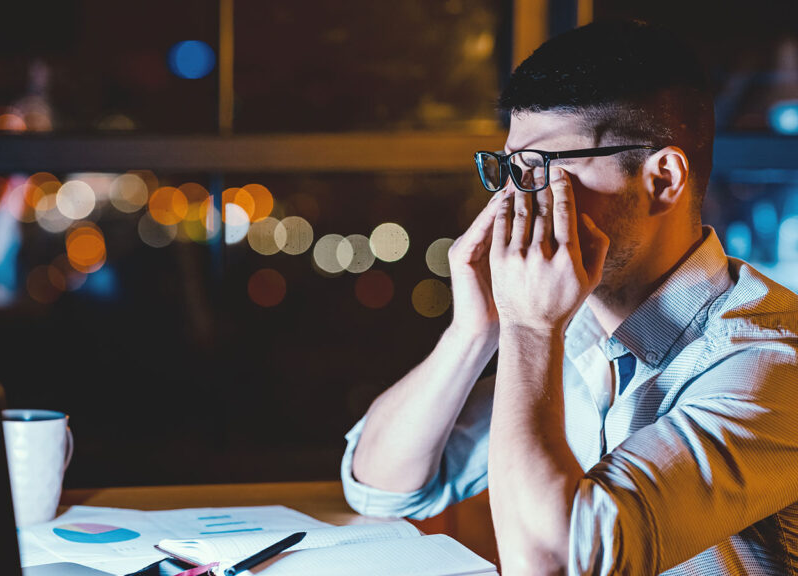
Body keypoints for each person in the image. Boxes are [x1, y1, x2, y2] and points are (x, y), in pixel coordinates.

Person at [341, 19, 798, 576]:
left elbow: (554, 563)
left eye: (542, 170)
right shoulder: (576, 328)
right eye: (510, 168)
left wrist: (530, 331)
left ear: (662, 179)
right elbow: (382, 487)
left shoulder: (771, 363)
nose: (516, 200)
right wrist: (474, 332)